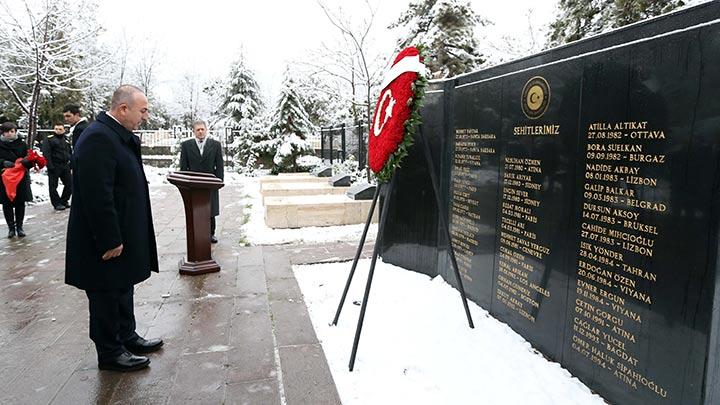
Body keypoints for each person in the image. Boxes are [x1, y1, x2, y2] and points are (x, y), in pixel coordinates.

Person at [65, 85, 162, 372]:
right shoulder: (98, 138)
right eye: (142, 110)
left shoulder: (114, 136)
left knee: (122, 285)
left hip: (123, 231)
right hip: (104, 238)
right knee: (106, 291)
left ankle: (126, 336)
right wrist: (110, 239)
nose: (145, 116)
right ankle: (110, 352)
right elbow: (97, 195)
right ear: (123, 109)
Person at [179, 119, 224, 243]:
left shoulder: (215, 145)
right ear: (193, 131)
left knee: (211, 209)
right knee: (196, 209)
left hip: (210, 183)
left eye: (202, 129)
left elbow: (219, 165)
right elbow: (183, 166)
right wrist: (184, 184)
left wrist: (219, 182)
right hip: (194, 183)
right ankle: (196, 234)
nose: (200, 132)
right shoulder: (186, 145)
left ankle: (211, 233)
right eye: (197, 130)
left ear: (206, 130)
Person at [0, 122, 33, 238]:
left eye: (12, 131)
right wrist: (3, 162)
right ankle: (11, 228)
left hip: (20, 178)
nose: (9, 134)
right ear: (3, 132)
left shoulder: (22, 144)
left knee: (20, 203)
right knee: (7, 203)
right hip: (5, 178)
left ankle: (20, 227)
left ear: (15, 132)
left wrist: (27, 162)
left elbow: (29, 159)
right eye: (7, 131)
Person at [42, 122, 73, 210]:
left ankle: (64, 201)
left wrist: (71, 164)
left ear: (64, 130)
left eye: (60, 129)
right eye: (56, 129)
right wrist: (50, 165)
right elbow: (46, 153)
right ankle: (56, 203)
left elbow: (69, 152)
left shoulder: (66, 139)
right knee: (53, 186)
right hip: (54, 165)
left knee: (69, 184)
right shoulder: (49, 139)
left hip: (65, 165)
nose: (58, 131)